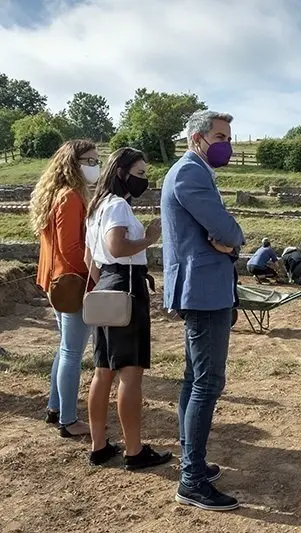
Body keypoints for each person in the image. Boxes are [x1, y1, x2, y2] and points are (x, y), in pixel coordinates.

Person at [161, 110, 245, 512]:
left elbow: (220, 229)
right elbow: (226, 229)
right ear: (197, 138)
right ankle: (191, 478)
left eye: (228, 135)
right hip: (204, 289)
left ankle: (191, 463)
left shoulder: (191, 170)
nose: (225, 143)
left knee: (195, 379)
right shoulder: (190, 173)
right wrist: (235, 238)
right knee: (207, 383)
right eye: (219, 135)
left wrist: (228, 239)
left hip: (203, 286)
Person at [84, 147, 172, 470]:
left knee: (102, 370)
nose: (143, 180)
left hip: (105, 287)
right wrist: (149, 238)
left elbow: (89, 261)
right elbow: (117, 246)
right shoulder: (119, 206)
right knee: (130, 374)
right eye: (140, 173)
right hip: (127, 290)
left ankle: (99, 445)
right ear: (121, 173)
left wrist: (107, 284)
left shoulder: (95, 208)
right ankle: (134, 451)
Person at [31, 140, 99, 438]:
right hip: (71, 283)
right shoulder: (70, 197)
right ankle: (69, 420)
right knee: (72, 352)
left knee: (65, 348)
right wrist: (92, 275)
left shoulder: (56, 195)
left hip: (56, 281)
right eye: (91, 160)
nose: (95, 165)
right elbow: (72, 247)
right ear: (74, 162)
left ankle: (56, 406)